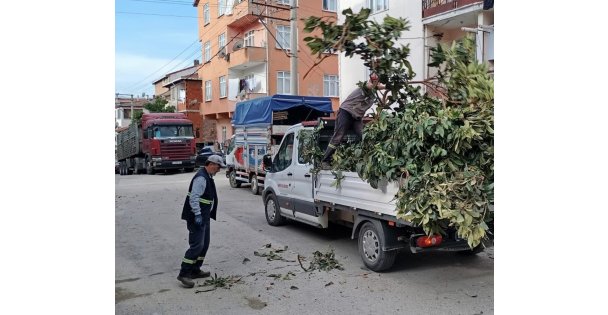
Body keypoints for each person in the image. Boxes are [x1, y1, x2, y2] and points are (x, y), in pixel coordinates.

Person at [177, 155, 226, 288]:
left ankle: (195, 269)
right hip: (196, 217)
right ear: (211, 164)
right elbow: (194, 198)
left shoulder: (207, 176)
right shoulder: (201, 178)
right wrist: (197, 214)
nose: (219, 170)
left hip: (204, 217)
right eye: (218, 167)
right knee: (197, 246)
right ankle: (184, 273)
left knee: (204, 245)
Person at [321, 72, 386, 169]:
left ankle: (370, 160)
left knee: (365, 135)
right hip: (346, 112)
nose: (376, 83)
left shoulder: (373, 95)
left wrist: (388, 90)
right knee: (338, 136)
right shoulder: (364, 87)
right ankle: (325, 161)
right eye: (375, 82)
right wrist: (378, 85)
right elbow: (368, 85)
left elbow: (381, 103)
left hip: (357, 117)